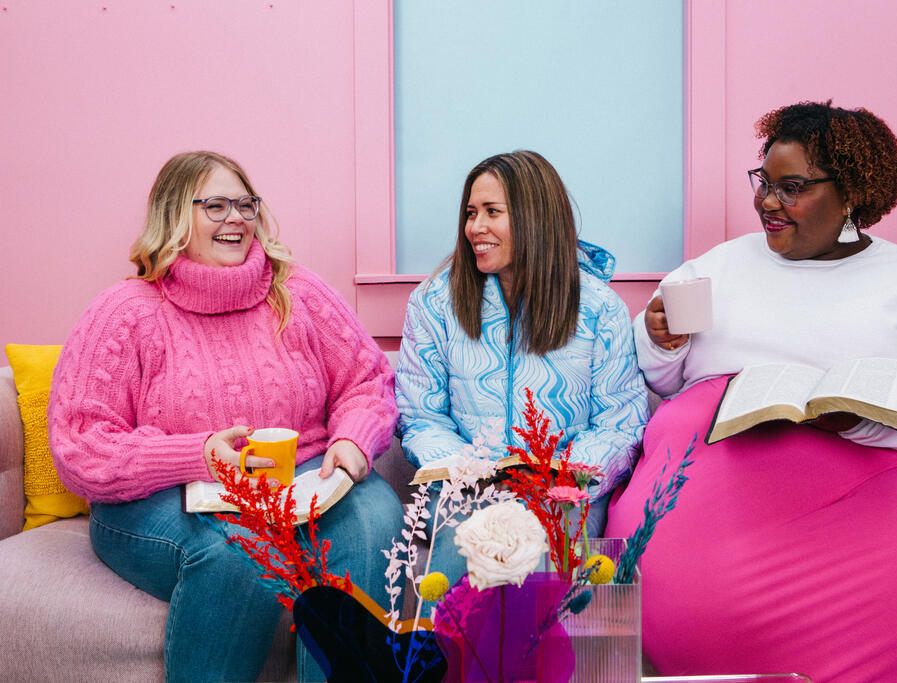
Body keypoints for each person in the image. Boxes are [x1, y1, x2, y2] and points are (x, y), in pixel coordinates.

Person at [606, 101, 897, 681]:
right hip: (714, 492)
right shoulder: (720, 268)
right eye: (765, 184)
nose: (768, 204)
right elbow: (657, 377)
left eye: (792, 187)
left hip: (887, 496)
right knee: (683, 576)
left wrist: (876, 417)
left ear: (850, 191)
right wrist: (660, 340)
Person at [47, 151, 404, 683]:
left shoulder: (298, 293)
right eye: (215, 205)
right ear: (173, 217)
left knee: (374, 519)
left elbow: (367, 379)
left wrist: (353, 438)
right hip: (166, 496)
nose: (236, 218)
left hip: (307, 481)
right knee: (241, 553)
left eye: (245, 204)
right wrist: (196, 455)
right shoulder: (124, 312)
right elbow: (80, 446)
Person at [394, 150, 648, 580]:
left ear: (535, 218)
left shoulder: (599, 308)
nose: (475, 227)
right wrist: (469, 475)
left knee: (547, 597)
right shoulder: (434, 302)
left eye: (492, 212)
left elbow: (620, 422)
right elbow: (420, 416)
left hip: (565, 497)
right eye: (471, 213)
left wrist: (567, 484)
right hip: (468, 492)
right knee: (464, 590)